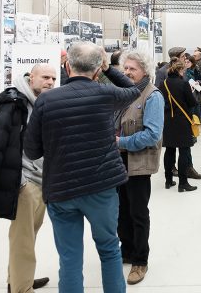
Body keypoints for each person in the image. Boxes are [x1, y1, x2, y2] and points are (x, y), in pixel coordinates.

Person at [24, 42, 140, 293]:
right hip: (101, 188)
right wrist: (110, 69)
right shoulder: (105, 94)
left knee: (69, 259)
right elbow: (133, 90)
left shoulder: (46, 100)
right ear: (98, 69)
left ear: (66, 66)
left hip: (61, 189)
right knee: (109, 251)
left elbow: (32, 151)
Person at [0, 64, 56, 293]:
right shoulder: (14, 104)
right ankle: (21, 288)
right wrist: (19, 183)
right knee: (23, 240)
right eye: (45, 77)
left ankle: (19, 279)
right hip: (26, 183)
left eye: (53, 78)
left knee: (28, 237)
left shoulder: (39, 104)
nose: (50, 82)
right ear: (31, 78)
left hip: (40, 181)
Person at [115, 52, 164, 285]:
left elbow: (152, 134)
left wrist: (120, 143)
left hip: (138, 163)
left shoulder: (152, 96)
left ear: (144, 71)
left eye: (132, 68)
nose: (127, 72)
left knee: (138, 213)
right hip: (117, 162)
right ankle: (126, 251)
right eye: (125, 68)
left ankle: (140, 261)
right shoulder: (123, 93)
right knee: (120, 210)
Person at [159, 58, 198, 192]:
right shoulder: (184, 84)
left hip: (168, 121)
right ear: (181, 70)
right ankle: (183, 183)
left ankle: (168, 180)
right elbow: (193, 103)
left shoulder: (163, 84)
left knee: (169, 151)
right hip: (182, 121)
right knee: (184, 151)